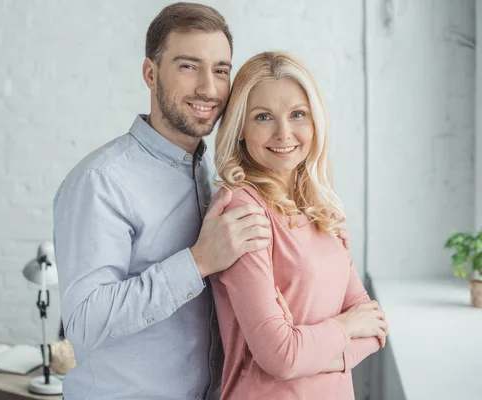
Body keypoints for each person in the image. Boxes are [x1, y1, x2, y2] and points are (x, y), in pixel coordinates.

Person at [52, 3, 274, 399]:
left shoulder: (217, 175)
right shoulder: (101, 181)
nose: (209, 88)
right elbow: (84, 320)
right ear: (150, 74)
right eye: (189, 66)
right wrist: (199, 261)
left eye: (221, 70)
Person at [210, 51, 388, 400]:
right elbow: (281, 356)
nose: (283, 133)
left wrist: (317, 352)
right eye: (263, 117)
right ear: (240, 128)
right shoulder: (244, 211)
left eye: (297, 115)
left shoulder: (320, 209)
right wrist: (345, 326)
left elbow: (375, 328)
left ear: (314, 122)